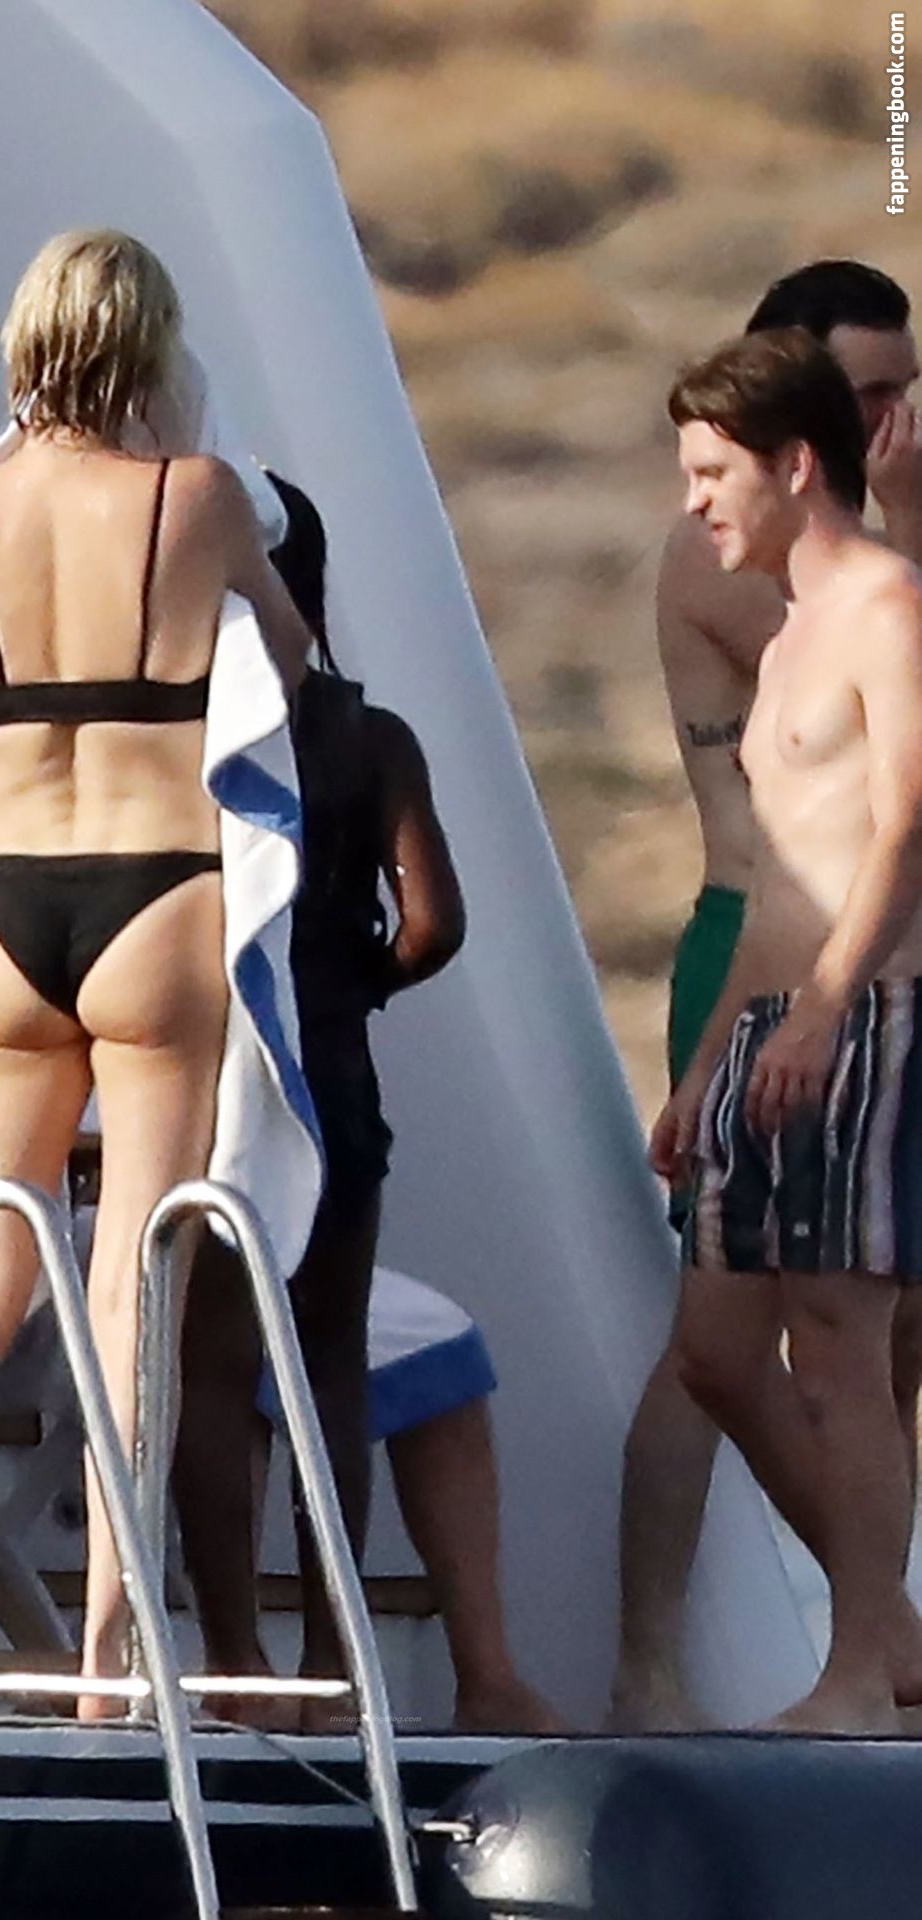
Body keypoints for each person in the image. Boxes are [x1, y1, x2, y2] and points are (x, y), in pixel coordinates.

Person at [0, 231, 314, 1711]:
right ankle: (109, 1650)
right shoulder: (196, 498)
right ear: (150, 346)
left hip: (10, 904)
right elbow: (292, 657)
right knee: (132, 1284)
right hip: (157, 894)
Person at [173, 475, 557, 1735]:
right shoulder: (371, 735)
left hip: (225, 1075)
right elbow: (435, 923)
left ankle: (237, 1662)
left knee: (215, 1371)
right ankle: (337, 1663)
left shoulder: (192, 732)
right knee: (332, 1362)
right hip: (338, 1076)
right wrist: (356, 985)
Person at [613, 261, 922, 1729]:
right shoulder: (789, 626)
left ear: (795, 465)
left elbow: (908, 826)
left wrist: (825, 1007)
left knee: (845, 1344)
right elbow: (771, 867)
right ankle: (880, 1645)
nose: (695, 505)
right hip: (770, 1019)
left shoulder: (887, 609)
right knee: (723, 1350)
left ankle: (861, 1668)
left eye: (713, 475)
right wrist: (707, 1069)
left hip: (862, 1020)